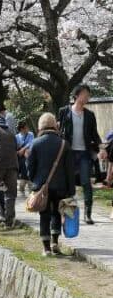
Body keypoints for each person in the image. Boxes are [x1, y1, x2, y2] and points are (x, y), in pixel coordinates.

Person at [28, 113, 75, 256]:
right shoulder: (64, 144)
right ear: (55, 125)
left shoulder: (35, 143)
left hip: (43, 187)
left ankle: (46, 248)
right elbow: (70, 169)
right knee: (56, 213)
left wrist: (34, 182)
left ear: (40, 126)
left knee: (44, 214)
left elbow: (30, 167)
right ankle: (55, 242)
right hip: (61, 187)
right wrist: (71, 190)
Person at [58, 84, 103, 224]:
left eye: (88, 95)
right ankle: (67, 214)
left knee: (86, 183)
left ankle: (87, 214)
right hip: (68, 153)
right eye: (85, 94)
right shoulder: (64, 111)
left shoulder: (90, 115)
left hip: (84, 153)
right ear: (77, 95)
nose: (87, 97)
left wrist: (102, 149)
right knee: (67, 184)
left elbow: (94, 134)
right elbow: (58, 131)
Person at [16, 121, 34, 196]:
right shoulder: (17, 136)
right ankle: (22, 186)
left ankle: (25, 185)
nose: (28, 129)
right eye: (26, 127)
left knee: (26, 164)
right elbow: (16, 147)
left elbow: (31, 143)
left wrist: (23, 149)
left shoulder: (31, 134)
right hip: (20, 156)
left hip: (27, 154)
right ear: (22, 129)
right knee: (23, 166)